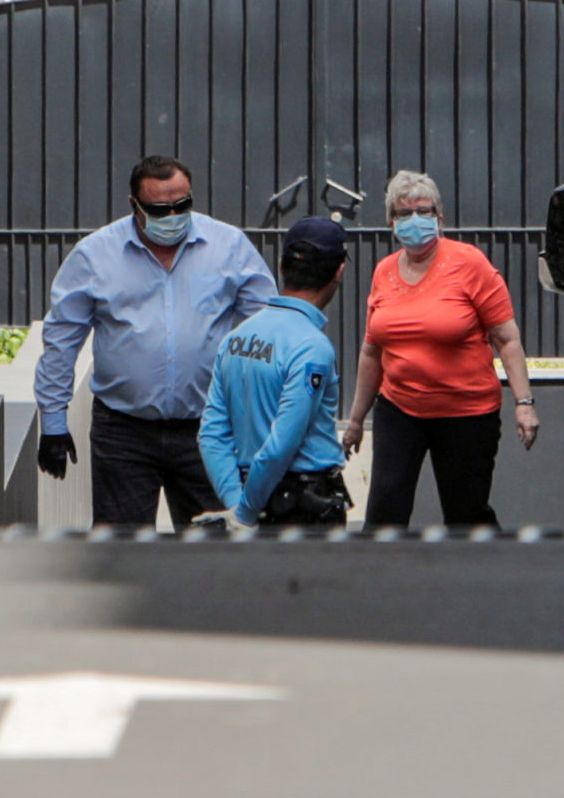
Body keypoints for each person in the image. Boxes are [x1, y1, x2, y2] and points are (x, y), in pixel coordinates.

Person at [34, 155, 276, 526]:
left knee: (214, 555)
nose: (173, 216)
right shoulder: (95, 256)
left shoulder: (228, 247)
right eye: (160, 209)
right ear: (135, 205)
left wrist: (256, 410)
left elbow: (266, 327)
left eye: (182, 205)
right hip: (123, 432)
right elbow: (62, 340)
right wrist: (53, 423)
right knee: (124, 553)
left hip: (209, 430)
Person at [337, 170, 537, 530]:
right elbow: (371, 352)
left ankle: (477, 579)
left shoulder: (469, 263)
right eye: (404, 213)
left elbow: (506, 339)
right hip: (400, 409)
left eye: (423, 211)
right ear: (391, 223)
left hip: (465, 411)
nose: (414, 219)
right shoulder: (383, 272)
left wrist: (524, 404)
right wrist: (354, 422)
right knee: (384, 512)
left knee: (466, 515)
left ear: (440, 218)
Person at [198, 218, 353, 528]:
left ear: (281, 266)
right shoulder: (312, 347)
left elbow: (211, 433)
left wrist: (239, 504)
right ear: (339, 272)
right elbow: (281, 444)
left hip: (251, 496)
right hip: (305, 508)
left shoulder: (236, 338)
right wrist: (244, 512)